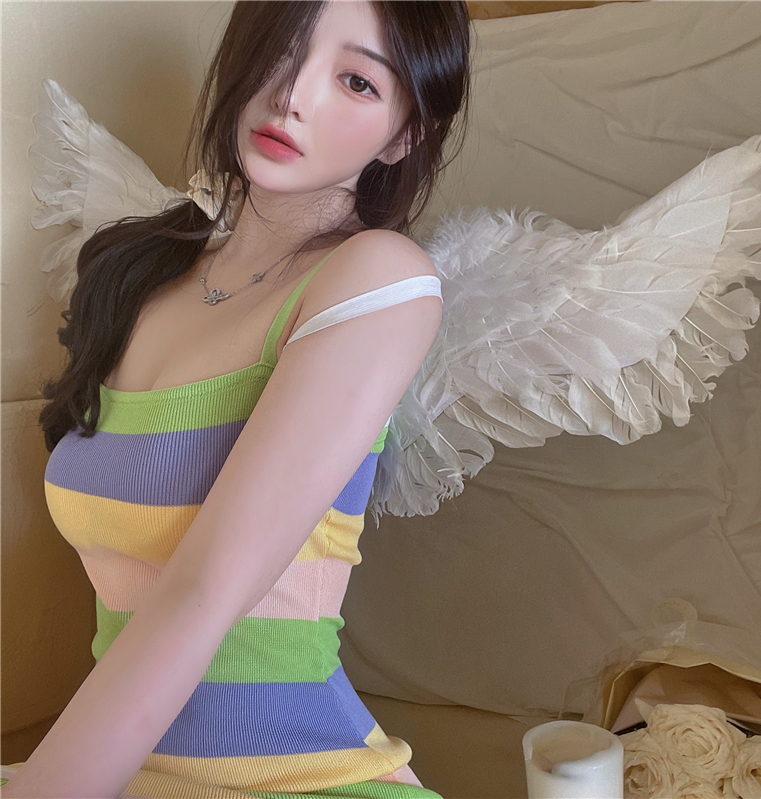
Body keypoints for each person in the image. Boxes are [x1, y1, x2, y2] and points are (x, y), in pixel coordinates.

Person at [2, 1, 470, 797]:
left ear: (403, 135)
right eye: (284, 47)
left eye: (356, 81)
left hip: (299, 776)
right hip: (123, 771)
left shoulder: (378, 278)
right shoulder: (140, 276)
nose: (292, 95)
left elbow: (204, 589)